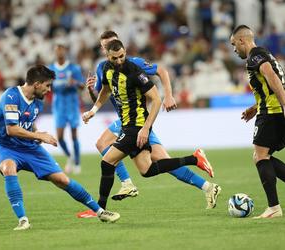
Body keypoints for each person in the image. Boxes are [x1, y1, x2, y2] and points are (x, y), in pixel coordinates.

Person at [81, 31, 220, 212]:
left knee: (104, 148)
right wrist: (92, 103)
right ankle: (205, 183)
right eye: (105, 45)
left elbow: (161, 74)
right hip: (125, 121)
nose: (118, 58)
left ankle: (117, 193)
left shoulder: (134, 65)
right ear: (105, 50)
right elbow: (104, 93)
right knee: (151, 167)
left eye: (115, 46)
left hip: (137, 122)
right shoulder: (103, 68)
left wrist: (168, 96)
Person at [0, 65, 120, 230]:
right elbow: (12, 129)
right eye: (47, 85)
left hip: (29, 148)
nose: (49, 90)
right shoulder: (11, 96)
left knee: (62, 179)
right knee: (9, 168)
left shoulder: (37, 102)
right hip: (5, 146)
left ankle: (100, 211)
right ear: (37, 84)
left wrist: (37, 131)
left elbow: (28, 122)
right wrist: (39, 136)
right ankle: (23, 220)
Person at [230, 25, 285, 218]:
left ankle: (274, 208)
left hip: (272, 113)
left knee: (260, 156)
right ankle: (274, 207)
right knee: (263, 156)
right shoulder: (264, 53)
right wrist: (255, 107)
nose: (234, 49)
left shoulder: (255, 56)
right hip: (271, 110)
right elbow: (270, 84)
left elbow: (272, 78)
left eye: (234, 44)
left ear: (242, 40)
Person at [48, 41, 84, 174]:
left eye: (61, 50)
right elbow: (47, 87)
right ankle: (70, 156)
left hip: (72, 105)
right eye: (57, 50)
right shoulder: (51, 69)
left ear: (65, 51)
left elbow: (82, 85)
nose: (59, 52)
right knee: (60, 136)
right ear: (54, 52)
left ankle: (78, 163)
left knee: (74, 135)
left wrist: (74, 82)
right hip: (58, 106)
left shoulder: (74, 68)